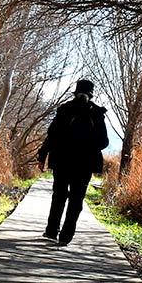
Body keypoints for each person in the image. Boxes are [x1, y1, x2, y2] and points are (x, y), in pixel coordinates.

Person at [37, 79, 109, 245]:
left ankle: (51, 231)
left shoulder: (65, 110)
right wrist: (89, 144)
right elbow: (104, 142)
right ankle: (66, 236)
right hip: (85, 164)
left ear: (76, 92)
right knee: (76, 200)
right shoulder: (97, 113)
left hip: (62, 161)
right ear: (91, 95)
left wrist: (42, 156)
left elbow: (52, 135)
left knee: (59, 196)